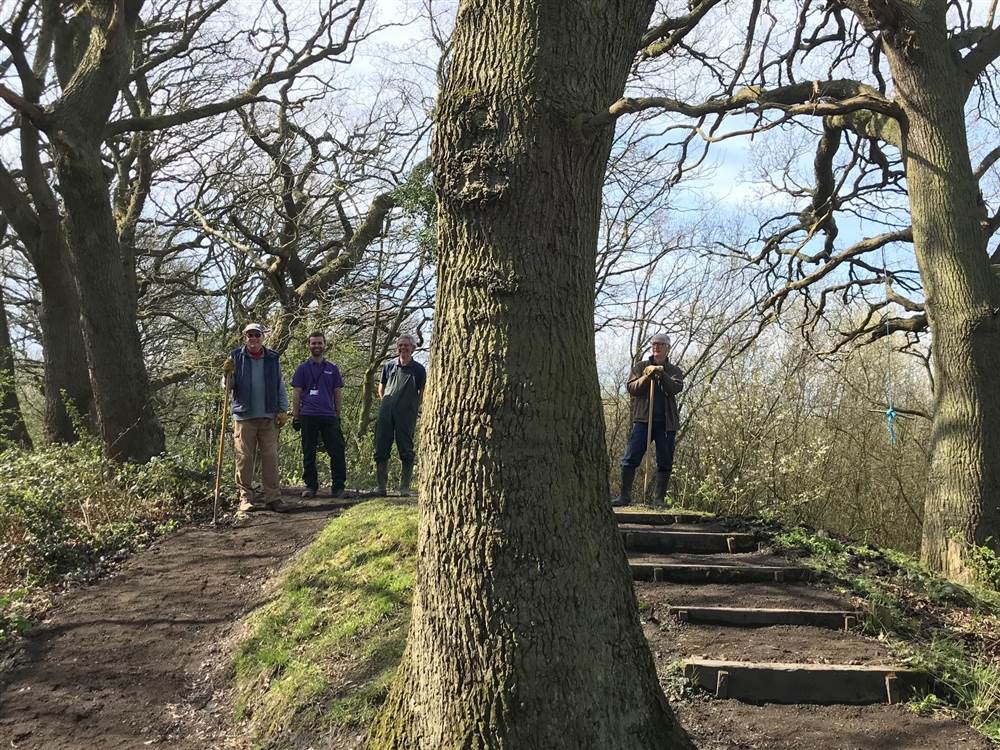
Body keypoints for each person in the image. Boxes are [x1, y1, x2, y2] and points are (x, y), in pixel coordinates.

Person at [223, 322, 289, 513]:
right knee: (244, 458)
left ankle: (273, 498)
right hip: (244, 416)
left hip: (268, 415)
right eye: (250, 335)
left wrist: (283, 409)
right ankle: (245, 498)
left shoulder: (272, 358)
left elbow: (280, 385)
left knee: (271, 457)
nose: (253, 338)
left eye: (257, 335)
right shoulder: (235, 357)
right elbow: (228, 387)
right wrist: (226, 374)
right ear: (245, 338)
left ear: (263, 337)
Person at [612, 332, 684, 507]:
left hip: (666, 424)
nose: (656, 347)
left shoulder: (674, 371)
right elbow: (632, 388)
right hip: (643, 420)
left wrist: (660, 373)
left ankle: (658, 499)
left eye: (660, 344)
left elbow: (675, 388)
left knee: (665, 460)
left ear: (668, 348)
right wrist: (647, 376)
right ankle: (624, 496)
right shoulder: (640, 366)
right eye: (653, 344)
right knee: (630, 457)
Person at [290, 331, 347, 498]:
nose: (316, 346)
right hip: (308, 415)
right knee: (309, 452)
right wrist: (296, 416)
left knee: (337, 451)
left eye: (319, 343)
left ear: (324, 345)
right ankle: (310, 486)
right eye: (313, 343)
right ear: (308, 345)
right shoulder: (302, 368)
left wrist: (337, 414)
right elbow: (296, 392)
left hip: (329, 415)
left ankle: (338, 487)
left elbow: (337, 392)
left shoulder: (333, 368)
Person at [374, 334, 426, 496]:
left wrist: (413, 408)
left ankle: (404, 488)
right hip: (386, 413)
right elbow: (381, 388)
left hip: (406, 414)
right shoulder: (389, 366)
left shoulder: (418, 369)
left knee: (406, 449)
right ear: (397, 348)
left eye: (406, 345)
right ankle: (381, 487)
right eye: (400, 345)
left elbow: (422, 392)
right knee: (381, 448)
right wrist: (386, 405)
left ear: (413, 348)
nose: (403, 347)